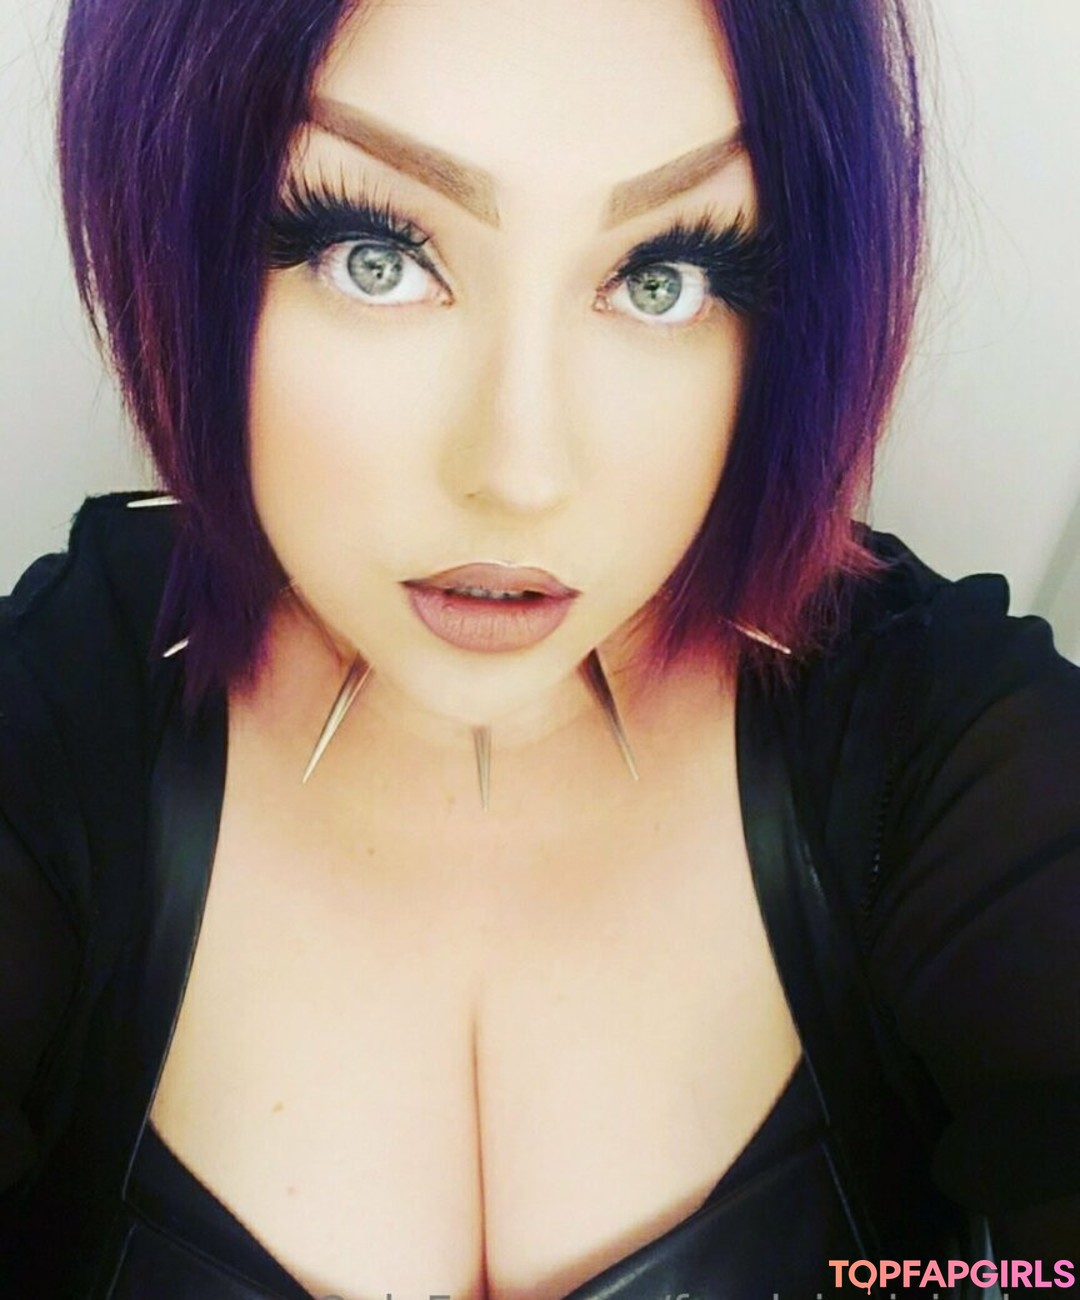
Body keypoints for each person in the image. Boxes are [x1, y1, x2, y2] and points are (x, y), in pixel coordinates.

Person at [1, 0, 1077, 1295]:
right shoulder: (49, 733)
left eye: (663, 275)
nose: (522, 476)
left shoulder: (931, 733)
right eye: (374, 255)